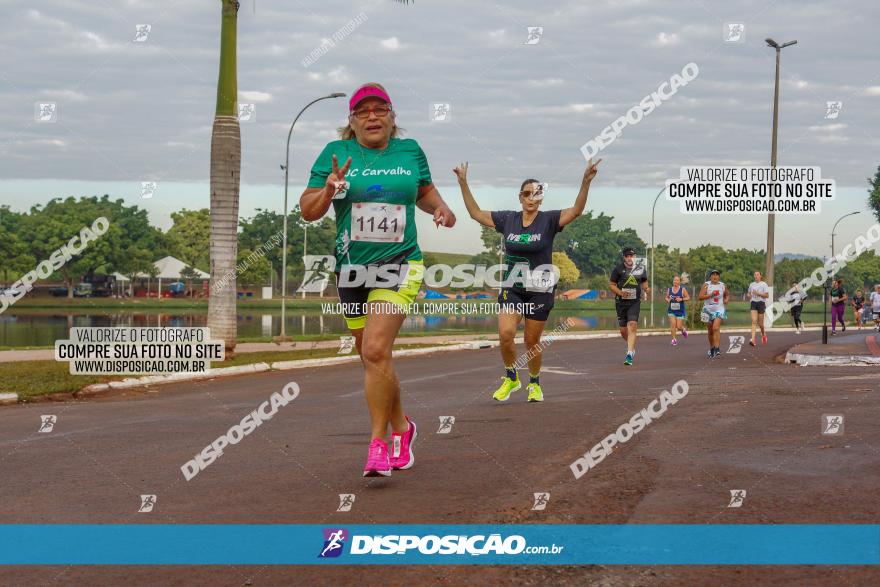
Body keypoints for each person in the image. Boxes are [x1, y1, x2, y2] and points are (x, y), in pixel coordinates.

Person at [300, 82, 456, 477]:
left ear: (392, 117)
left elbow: (424, 192)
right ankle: (403, 427)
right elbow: (308, 210)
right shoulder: (335, 154)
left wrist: (442, 209)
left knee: (374, 350)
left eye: (380, 109)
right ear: (350, 122)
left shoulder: (410, 151)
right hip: (352, 269)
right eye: (363, 111)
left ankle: (378, 445)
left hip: (400, 262)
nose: (372, 116)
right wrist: (329, 190)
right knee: (374, 357)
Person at [454, 158, 601, 402]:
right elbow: (476, 214)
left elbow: (576, 211)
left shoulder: (549, 220)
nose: (531, 198)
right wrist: (463, 183)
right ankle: (511, 378)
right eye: (527, 194)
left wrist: (585, 181)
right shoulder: (507, 220)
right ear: (520, 197)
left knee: (532, 340)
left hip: (539, 290)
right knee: (505, 334)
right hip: (512, 286)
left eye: (536, 194)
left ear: (541, 198)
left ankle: (534, 382)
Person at [609, 247, 650, 365]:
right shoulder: (618, 269)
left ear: (634, 256)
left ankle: (630, 354)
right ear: (624, 257)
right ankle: (631, 345)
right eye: (627, 256)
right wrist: (620, 293)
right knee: (623, 331)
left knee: (632, 324)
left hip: (634, 302)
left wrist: (646, 289)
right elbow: (611, 285)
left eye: (631, 256)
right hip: (621, 302)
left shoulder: (640, 268)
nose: (629, 258)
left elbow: (644, 282)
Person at [699, 269, 729, 358]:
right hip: (707, 310)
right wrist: (710, 295)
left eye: (717, 275)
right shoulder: (706, 285)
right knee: (710, 331)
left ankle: (717, 348)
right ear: (710, 276)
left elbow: (727, 294)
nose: (715, 276)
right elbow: (700, 297)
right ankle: (712, 348)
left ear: (719, 277)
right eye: (713, 275)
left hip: (719, 309)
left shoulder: (722, 285)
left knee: (716, 327)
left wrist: (726, 300)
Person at [664, 275, 690, 345]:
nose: (675, 281)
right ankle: (674, 339)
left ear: (679, 282)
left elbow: (688, 297)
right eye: (674, 280)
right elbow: (666, 297)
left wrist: (681, 299)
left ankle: (683, 330)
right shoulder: (669, 289)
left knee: (678, 326)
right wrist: (668, 300)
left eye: (677, 280)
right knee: (673, 324)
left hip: (680, 311)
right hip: (671, 311)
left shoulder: (682, 289)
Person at [747, 271, 770, 346]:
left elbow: (767, 296)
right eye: (755, 275)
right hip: (753, 303)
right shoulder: (751, 284)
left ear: (760, 276)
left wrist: (758, 293)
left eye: (757, 275)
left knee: (760, 324)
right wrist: (749, 295)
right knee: (754, 321)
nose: (756, 276)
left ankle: (763, 334)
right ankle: (753, 340)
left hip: (761, 303)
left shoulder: (764, 284)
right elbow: (749, 293)